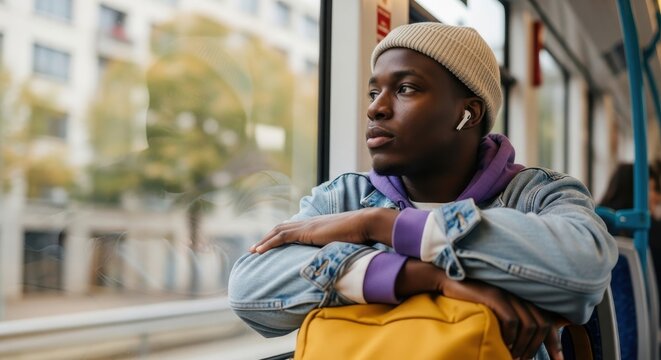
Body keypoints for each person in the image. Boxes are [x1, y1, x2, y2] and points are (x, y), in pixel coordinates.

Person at [229, 22, 617, 360]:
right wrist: (426, 277)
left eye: (406, 88)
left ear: (468, 113)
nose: (375, 109)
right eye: (373, 92)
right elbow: (250, 289)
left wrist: (382, 226)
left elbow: (585, 268)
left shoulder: (535, 194)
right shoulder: (343, 198)